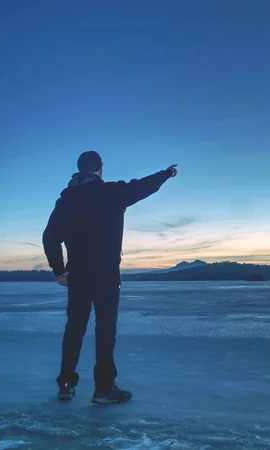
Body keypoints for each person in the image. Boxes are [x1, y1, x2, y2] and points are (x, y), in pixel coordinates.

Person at [42, 150, 177, 404]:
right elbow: (142, 187)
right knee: (105, 331)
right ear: (99, 169)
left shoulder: (66, 201)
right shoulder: (111, 193)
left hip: (78, 275)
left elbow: (50, 237)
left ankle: (66, 385)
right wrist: (166, 174)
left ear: (80, 170)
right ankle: (103, 388)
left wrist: (59, 270)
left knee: (74, 330)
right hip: (105, 276)